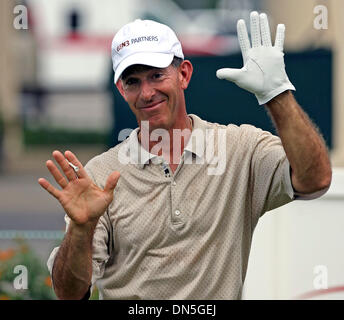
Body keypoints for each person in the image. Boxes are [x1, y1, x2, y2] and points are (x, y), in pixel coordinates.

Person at [39, 12, 332, 300]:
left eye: (156, 75)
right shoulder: (101, 174)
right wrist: (81, 228)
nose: (146, 92)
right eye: (132, 81)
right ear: (121, 89)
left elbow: (315, 179)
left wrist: (277, 93)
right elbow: (69, 294)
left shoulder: (240, 147)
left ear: (184, 74)